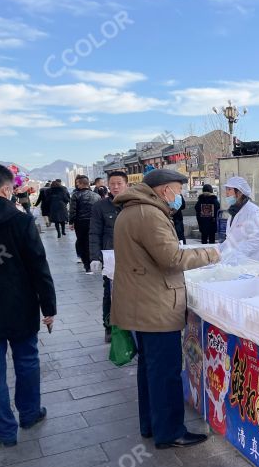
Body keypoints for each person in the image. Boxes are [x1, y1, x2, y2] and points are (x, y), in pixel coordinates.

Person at [111, 169, 220, 449]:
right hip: (155, 305)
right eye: (177, 190)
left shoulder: (132, 210)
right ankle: (170, 432)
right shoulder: (149, 214)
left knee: (151, 370)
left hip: (142, 302)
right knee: (166, 371)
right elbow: (171, 258)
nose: (179, 196)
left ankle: (152, 424)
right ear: (163, 191)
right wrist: (212, 253)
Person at [0, 164, 56, 447]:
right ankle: (30, 413)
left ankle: (4, 430)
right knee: (26, 360)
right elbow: (38, 267)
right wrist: (49, 307)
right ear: (5, 189)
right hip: (19, 305)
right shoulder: (20, 222)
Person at [89, 171, 128, 344]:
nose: (116, 187)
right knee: (109, 293)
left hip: (134, 257)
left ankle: (131, 327)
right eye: (112, 184)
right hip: (110, 256)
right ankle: (109, 327)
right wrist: (95, 257)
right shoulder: (100, 206)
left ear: (126, 184)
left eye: (119, 183)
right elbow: (94, 232)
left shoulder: (134, 204)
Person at [220, 176, 259, 263]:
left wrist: (234, 253)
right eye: (226, 190)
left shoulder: (254, 212)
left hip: (257, 263)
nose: (226, 193)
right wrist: (219, 250)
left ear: (239, 193)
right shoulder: (233, 213)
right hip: (241, 263)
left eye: (229, 190)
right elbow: (231, 240)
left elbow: (258, 241)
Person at [69, 175, 100, 273]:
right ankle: (94, 260)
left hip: (80, 222)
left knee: (82, 242)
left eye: (78, 183)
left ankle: (87, 266)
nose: (77, 185)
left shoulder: (75, 195)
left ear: (82, 184)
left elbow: (72, 210)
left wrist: (71, 222)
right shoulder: (97, 196)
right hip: (94, 222)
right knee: (93, 241)